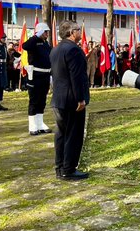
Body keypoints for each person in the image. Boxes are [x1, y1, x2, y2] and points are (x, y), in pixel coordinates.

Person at [50, 21, 90, 180]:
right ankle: (69, 169)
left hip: (58, 98)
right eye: (78, 30)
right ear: (72, 33)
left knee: (61, 134)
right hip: (72, 100)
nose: (80, 32)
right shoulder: (74, 50)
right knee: (73, 134)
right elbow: (76, 77)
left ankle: (60, 167)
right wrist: (80, 99)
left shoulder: (55, 49)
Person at [23, 23, 53, 136]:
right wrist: (36, 36)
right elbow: (25, 46)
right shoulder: (34, 42)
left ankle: (40, 123)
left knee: (42, 101)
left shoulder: (45, 43)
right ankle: (32, 125)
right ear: (40, 31)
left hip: (45, 75)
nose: (47, 34)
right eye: (45, 32)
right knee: (34, 101)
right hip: (35, 75)